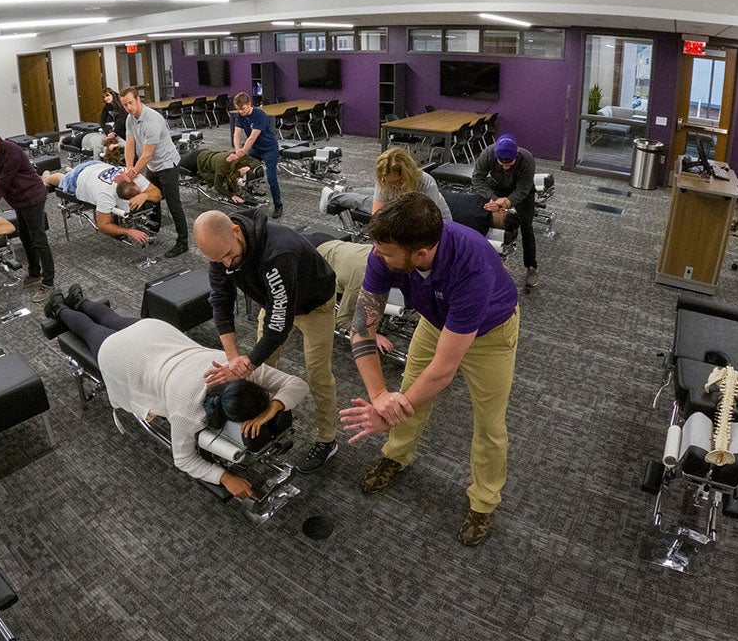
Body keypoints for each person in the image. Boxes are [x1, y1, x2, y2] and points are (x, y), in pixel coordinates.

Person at [340, 194, 519, 547]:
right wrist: (380, 398)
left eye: (387, 253)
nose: (377, 257)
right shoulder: (386, 251)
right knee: (408, 390)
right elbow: (362, 327)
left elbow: (442, 372)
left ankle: (484, 501)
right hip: (436, 322)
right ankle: (396, 455)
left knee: (490, 423)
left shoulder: (472, 264)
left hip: (491, 334)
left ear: (420, 253)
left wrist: (388, 416)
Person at [43, 285, 309, 498]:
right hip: (127, 356)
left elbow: (297, 384)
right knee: (91, 330)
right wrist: (224, 477)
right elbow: (183, 460)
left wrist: (273, 407)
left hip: (156, 334)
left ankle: (79, 300)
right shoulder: (187, 413)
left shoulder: (237, 370)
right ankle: (58, 307)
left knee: (112, 319)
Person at [194, 209, 340, 474]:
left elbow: (279, 325)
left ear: (236, 232)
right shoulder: (220, 250)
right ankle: (260, 415)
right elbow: (221, 301)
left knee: (318, 374)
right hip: (273, 303)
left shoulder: (279, 252)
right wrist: (234, 358)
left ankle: (327, 439)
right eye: (219, 260)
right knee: (259, 368)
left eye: (229, 256)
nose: (227, 264)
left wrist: (247, 364)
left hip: (315, 305)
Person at [0, 127, 56, 302]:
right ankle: (34, 273)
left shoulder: (11, 151)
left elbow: (1, 186)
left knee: (38, 239)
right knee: (24, 236)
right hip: (17, 200)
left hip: (33, 197)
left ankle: (48, 283)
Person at [121, 87, 189, 258]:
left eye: (130, 103)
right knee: (152, 198)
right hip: (152, 166)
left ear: (138, 99)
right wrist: (129, 167)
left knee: (174, 205)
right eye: (125, 105)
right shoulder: (130, 119)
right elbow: (129, 144)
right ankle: (153, 230)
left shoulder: (153, 120)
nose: (128, 107)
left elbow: (147, 154)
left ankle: (183, 242)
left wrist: (134, 172)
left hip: (167, 164)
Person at [472, 134, 539, 288]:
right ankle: (493, 264)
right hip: (496, 188)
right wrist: (494, 199)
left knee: (527, 226)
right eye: (502, 164)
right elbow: (477, 179)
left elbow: (523, 189)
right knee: (487, 220)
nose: (505, 167)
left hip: (522, 190)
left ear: (516, 155)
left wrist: (508, 202)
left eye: (509, 164)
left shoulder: (527, 159)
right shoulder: (488, 154)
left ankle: (531, 267)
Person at [311, 235, 394, 355]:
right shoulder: (361, 279)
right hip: (314, 253)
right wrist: (372, 335)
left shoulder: (388, 254)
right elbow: (343, 318)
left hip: (333, 243)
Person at [43, 161, 162, 244]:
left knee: (72, 173)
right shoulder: (105, 195)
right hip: (80, 177)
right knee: (62, 180)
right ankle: (46, 178)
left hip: (97, 165)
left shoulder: (132, 176)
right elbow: (103, 226)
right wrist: (129, 231)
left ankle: (70, 169)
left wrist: (144, 195)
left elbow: (157, 193)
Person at [229, 92, 283, 218]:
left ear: (249, 104)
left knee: (271, 177)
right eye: (238, 109)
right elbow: (236, 134)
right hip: (255, 149)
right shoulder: (240, 115)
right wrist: (237, 151)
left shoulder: (260, 115)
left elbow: (252, 138)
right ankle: (248, 193)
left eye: (242, 109)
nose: (241, 112)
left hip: (269, 148)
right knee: (240, 167)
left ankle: (278, 205)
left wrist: (241, 152)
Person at [371, 147, 452, 220]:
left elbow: (425, 220)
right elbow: (377, 216)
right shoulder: (383, 180)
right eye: (389, 182)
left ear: (408, 175)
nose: (394, 186)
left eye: (399, 182)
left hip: (433, 222)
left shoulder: (426, 184)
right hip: (399, 220)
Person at [181, 148, 262, 204]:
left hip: (208, 154)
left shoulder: (240, 156)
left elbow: (256, 162)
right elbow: (218, 186)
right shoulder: (222, 167)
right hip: (196, 160)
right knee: (176, 161)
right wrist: (232, 196)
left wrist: (250, 168)